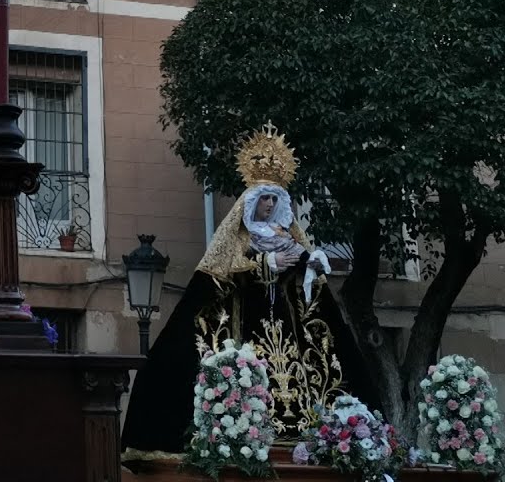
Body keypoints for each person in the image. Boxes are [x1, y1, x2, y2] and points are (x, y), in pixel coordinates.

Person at [121, 123, 376, 458]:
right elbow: (217, 280)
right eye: (264, 198)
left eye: (274, 198)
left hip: (289, 333)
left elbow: (304, 281)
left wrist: (308, 264)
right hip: (248, 327)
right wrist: (264, 265)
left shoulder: (286, 235)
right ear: (251, 201)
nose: (269, 204)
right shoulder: (237, 240)